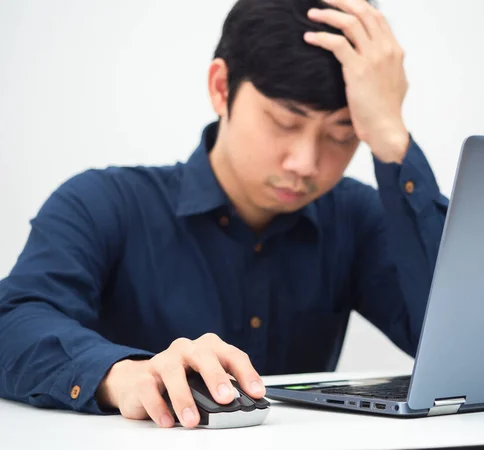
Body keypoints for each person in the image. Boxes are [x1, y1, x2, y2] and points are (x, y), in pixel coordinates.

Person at [0, 0, 448, 429]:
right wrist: (124, 375)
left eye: (342, 133)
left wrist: (392, 137)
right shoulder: (101, 203)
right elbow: (13, 323)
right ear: (221, 87)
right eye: (285, 122)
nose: (305, 163)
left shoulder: (356, 216)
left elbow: (458, 345)